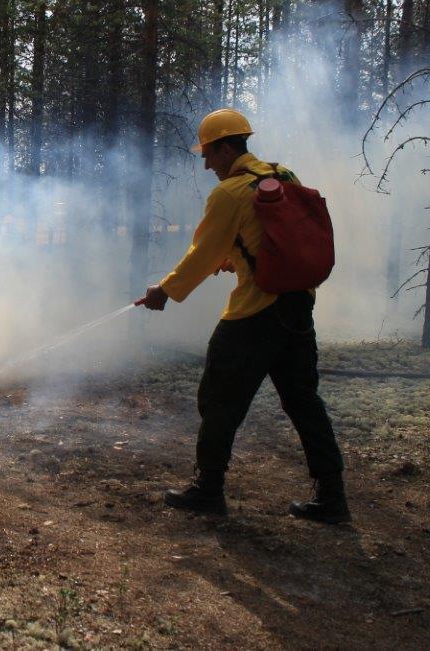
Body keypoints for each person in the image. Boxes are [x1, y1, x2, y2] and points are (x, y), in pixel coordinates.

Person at [137, 108, 349, 524]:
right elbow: (274, 239)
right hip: (297, 308)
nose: (205, 164)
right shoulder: (283, 176)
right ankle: (332, 497)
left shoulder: (229, 193)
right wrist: (239, 259)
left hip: (254, 314)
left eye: (208, 154)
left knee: (218, 399)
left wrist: (165, 290)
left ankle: (208, 489)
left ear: (226, 146)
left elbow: (202, 255)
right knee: (304, 402)